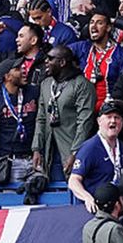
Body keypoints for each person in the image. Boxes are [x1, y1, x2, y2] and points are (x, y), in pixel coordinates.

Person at [33, 46, 96, 181]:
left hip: (71, 150)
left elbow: (85, 122)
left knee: (75, 191)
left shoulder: (82, 85)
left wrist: (75, 153)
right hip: (50, 150)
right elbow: (41, 118)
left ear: (62, 63)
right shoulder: (46, 84)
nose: (46, 61)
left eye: (50, 59)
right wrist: (37, 148)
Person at [0, 57, 40, 186]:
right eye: (18, 69)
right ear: (7, 76)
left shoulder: (34, 92)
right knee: (15, 202)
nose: (24, 71)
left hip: (35, 158)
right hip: (11, 163)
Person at [70, 104, 123, 214]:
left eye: (117, 117)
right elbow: (73, 180)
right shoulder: (89, 147)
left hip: (115, 209)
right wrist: (87, 198)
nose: (113, 121)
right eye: (108, 117)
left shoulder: (121, 145)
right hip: (94, 211)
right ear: (99, 121)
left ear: (122, 122)